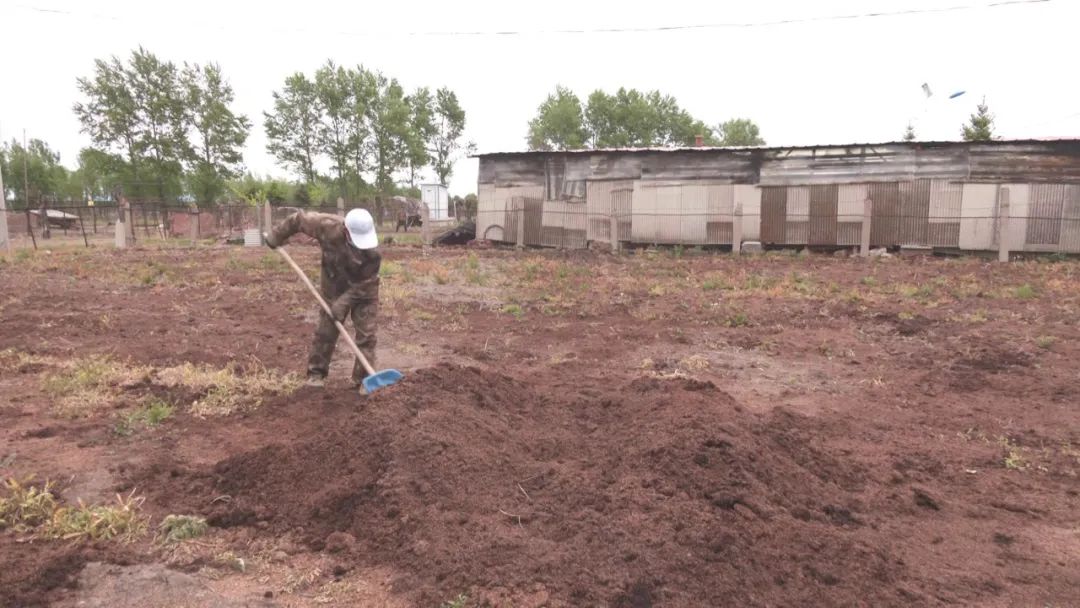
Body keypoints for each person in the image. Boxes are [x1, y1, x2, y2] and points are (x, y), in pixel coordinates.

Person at [265, 208, 382, 388]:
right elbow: (297, 220)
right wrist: (277, 236)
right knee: (326, 331)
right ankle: (316, 374)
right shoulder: (326, 225)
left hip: (364, 291)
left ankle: (363, 381)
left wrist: (343, 303)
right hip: (333, 284)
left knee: (367, 336)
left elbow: (367, 283)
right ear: (346, 230)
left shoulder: (373, 252)